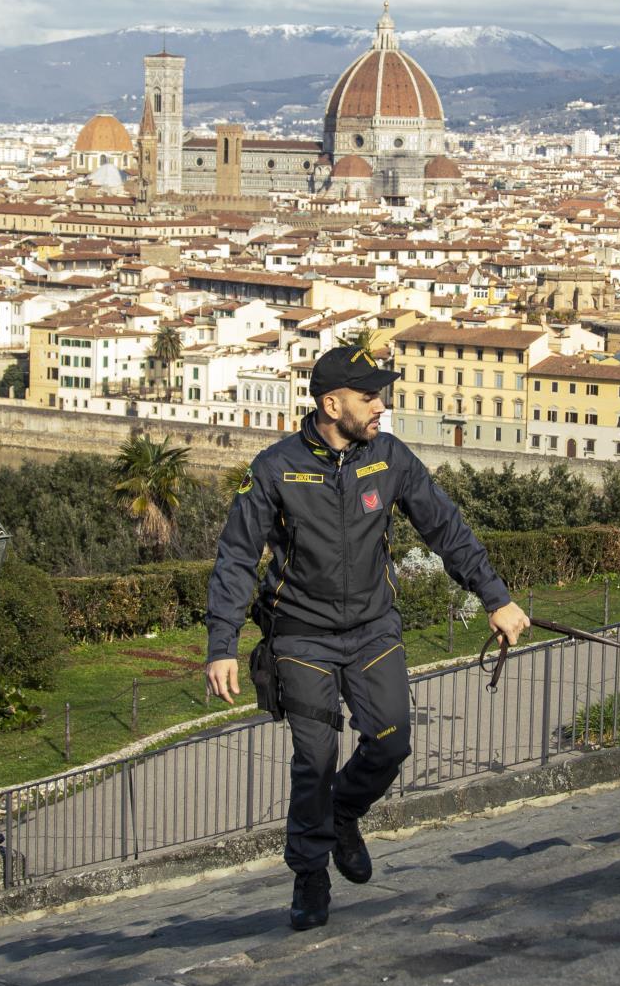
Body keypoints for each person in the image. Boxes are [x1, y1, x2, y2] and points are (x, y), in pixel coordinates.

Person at [205, 343, 530, 931]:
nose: (382, 405)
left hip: (374, 629)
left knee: (390, 742)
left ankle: (343, 812)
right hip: (300, 636)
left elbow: (445, 527)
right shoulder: (276, 468)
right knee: (315, 757)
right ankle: (309, 875)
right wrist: (221, 644)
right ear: (332, 404)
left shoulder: (389, 457)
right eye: (369, 396)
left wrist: (495, 597)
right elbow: (234, 558)